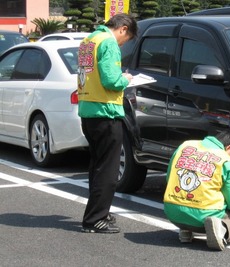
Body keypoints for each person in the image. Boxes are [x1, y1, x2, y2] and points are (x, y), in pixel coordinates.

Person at [77, 13, 137, 233]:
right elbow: (111, 80)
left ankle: (99, 211)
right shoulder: (109, 43)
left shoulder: (88, 41)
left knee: (97, 166)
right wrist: (127, 79)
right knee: (108, 170)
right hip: (106, 112)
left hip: (88, 111)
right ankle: (95, 219)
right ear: (122, 28)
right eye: (126, 38)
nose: (124, 43)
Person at [163, 131, 230, 251]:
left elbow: (169, 177)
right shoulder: (227, 161)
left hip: (172, 213)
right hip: (203, 216)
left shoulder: (185, 146)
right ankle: (220, 228)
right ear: (229, 148)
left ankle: (186, 231)